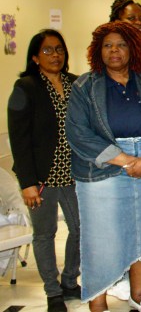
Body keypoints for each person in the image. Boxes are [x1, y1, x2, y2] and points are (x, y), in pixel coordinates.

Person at [66, 21, 141, 312]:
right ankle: (98, 301)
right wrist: (126, 160)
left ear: (134, 49)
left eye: (122, 45)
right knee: (102, 236)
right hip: (103, 169)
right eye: (108, 45)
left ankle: (139, 296)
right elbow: (77, 132)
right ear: (97, 50)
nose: (114, 51)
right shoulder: (85, 86)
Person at [7, 29, 80, 312]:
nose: (55, 55)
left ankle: (70, 282)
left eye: (59, 49)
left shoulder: (76, 84)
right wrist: (26, 182)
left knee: (80, 229)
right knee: (44, 233)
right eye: (48, 50)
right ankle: (53, 291)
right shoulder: (25, 87)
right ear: (35, 57)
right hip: (42, 178)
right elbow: (19, 139)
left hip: (74, 175)